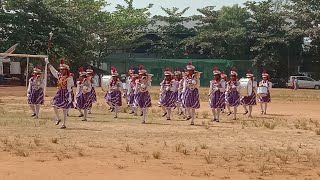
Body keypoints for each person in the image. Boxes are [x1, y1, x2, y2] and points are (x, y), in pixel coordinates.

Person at [47, 58, 74, 129]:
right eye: (60, 69)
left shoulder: (69, 78)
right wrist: (48, 63)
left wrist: (69, 97)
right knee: (54, 105)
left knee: (64, 109)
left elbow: (69, 88)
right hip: (59, 92)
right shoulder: (59, 75)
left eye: (62, 69)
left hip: (65, 93)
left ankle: (64, 124)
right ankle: (58, 118)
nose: (61, 70)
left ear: (66, 70)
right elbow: (53, 71)